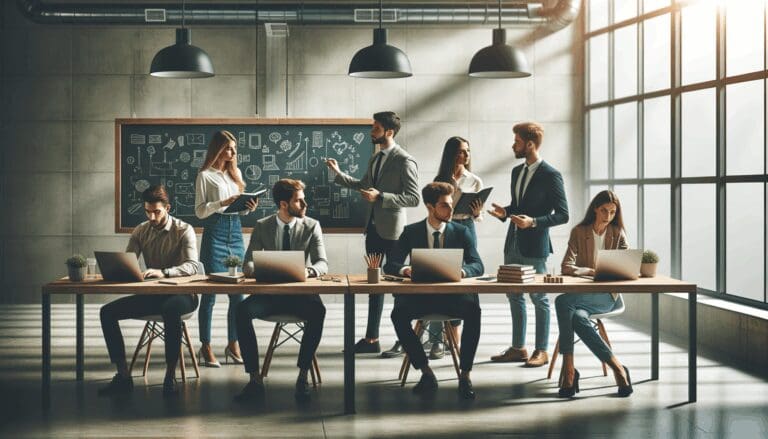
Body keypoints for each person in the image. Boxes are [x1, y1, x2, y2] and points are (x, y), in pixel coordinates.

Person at [325, 111, 420, 357]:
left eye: (375, 128)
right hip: (374, 229)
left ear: (389, 132)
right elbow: (363, 185)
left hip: (393, 232)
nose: (371, 131)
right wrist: (338, 174)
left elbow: (414, 198)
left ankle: (404, 340)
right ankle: (372, 338)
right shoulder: (375, 158)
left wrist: (381, 197)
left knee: (399, 286)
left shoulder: (404, 160)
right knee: (374, 284)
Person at [98, 185, 201, 397]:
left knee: (171, 310)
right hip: (153, 295)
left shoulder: (184, 230)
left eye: (157, 212)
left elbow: (192, 266)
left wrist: (164, 272)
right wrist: (119, 270)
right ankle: (123, 375)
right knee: (106, 312)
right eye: (147, 211)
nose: (152, 217)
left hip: (183, 295)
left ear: (168, 208)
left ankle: (169, 376)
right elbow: (129, 262)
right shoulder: (140, 230)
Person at [384, 182, 484, 399]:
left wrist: (462, 272)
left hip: (453, 298)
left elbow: (478, 264)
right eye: (445, 206)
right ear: (430, 207)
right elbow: (390, 264)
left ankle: (465, 375)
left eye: (451, 205)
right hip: (421, 298)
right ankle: (426, 371)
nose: (451, 210)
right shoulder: (411, 232)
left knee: (474, 311)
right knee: (397, 315)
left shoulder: (462, 231)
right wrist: (406, 269)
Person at [234, 179, 328, 403]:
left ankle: (303, 375)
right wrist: (265, 270)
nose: (305, 204)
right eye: (299, 200)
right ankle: (255, 379)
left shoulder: (312, 225)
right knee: (241, 311)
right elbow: (247, 265)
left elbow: (322, 263)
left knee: (319, 311)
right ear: (284, 204)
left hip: (300, 296)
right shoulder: (262, 225)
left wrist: (309, 271)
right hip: (270, 296)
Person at [488, 122, 569, 368]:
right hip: (513, 242)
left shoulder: (551, 175)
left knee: (539, 298)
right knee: (514, 296)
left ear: (530, 144)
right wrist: (505, 212)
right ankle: (518, 348)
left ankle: (541, 351)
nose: (513, 145)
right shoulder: (516, 171)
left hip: (535, 246)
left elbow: (563, 215)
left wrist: (533, 222)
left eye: (517, 141)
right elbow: (519, 206)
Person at [556, 190, 633, 398]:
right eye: (604, 211)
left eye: (613, 212)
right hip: (581, 295)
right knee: (578, 318)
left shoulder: (618, 233)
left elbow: (627, 267)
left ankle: (569, 371)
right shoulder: (579, 232)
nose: (608, 216)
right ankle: (618, 367)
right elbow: (566, 266)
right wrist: (590, 271)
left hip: (608, 296)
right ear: (595, 210)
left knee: (562, 302)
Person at [195, 130, 258, 367]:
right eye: (229, 148)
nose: (233, 153)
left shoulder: (235, 174)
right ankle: (206, 346)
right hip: (215, 231)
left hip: (236, 231)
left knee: (238, 295)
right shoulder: (204, 176)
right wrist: (222, 202)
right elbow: (200, 211)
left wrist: (248, 207)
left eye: (234, 148)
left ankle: (233, 344)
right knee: (209, 295)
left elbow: (239, 209)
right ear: (218, 149)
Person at [426, 136, 485, 359]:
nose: (465, 155)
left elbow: (477, 216)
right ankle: (436, 340)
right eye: (461, 151)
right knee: (438, 279)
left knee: (462, 280)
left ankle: (455, 335)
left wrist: (477, 213)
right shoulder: (440, 179)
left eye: (468, 151)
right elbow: (432, 211)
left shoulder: (474, 180)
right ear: (452, 153)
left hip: (467, 226)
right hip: (446, 227)